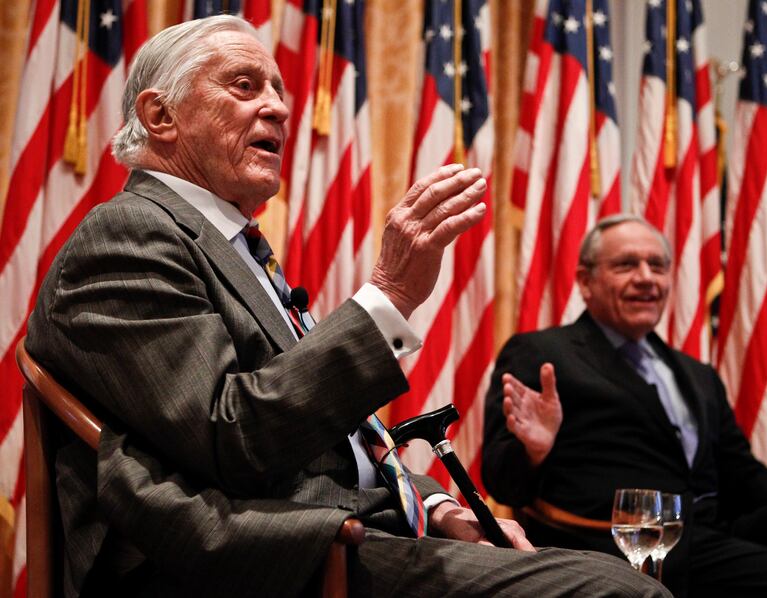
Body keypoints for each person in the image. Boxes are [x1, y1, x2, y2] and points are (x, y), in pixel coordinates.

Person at [24, 16, 669, 598]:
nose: (278, 108)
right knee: (621, 592)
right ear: (160, 117)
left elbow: (334, 449)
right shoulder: (131, 236)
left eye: (279, 90)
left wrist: (437, 508)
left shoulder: (236, 247)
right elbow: (231, 437)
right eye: (245, 86)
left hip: (349, 532)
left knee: (620, 576)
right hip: (269, 562)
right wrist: (388, 296)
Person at [483, 214, 767, 597]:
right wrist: (533, 451)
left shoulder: (696, 373)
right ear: (585, 281)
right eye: (626, 265)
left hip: (713, 532)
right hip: (620, 546)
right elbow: (501, 481)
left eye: (658, 266)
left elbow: (741, 472)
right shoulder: (543, 354)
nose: (647, 277)